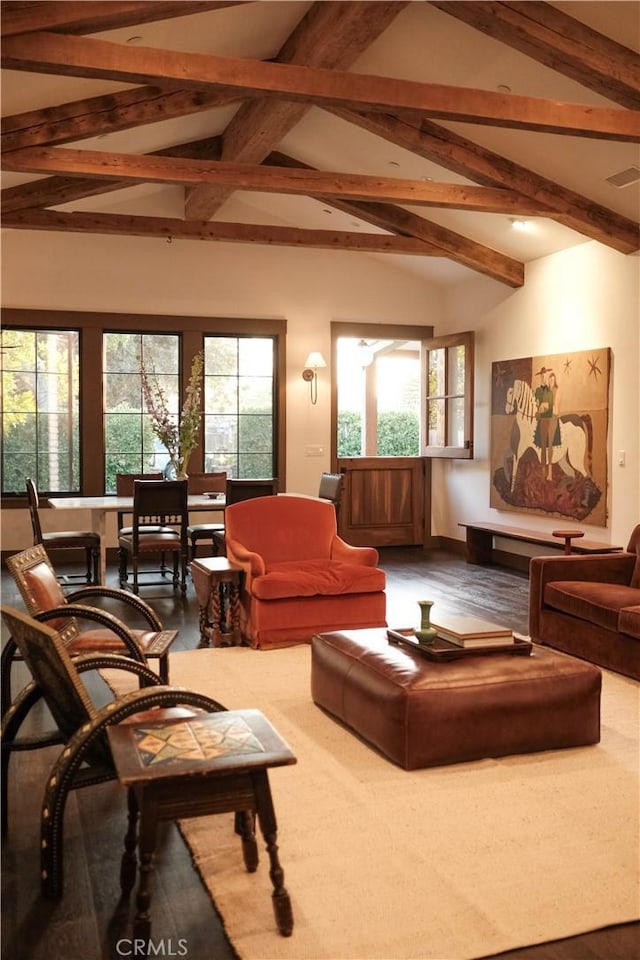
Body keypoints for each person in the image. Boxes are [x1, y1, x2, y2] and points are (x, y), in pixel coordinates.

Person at [534, 368, 561, 480]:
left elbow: (555, 410)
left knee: (549, 445)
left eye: (552, 380)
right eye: (550, 380)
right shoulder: (545, 391)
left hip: (552, 419)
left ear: (555, 381)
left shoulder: (556, 391)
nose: (550, 382)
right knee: (543, 445)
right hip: (544, 419)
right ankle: (543, 471)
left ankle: (550, 473)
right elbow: (539, 403)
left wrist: (544, 410)